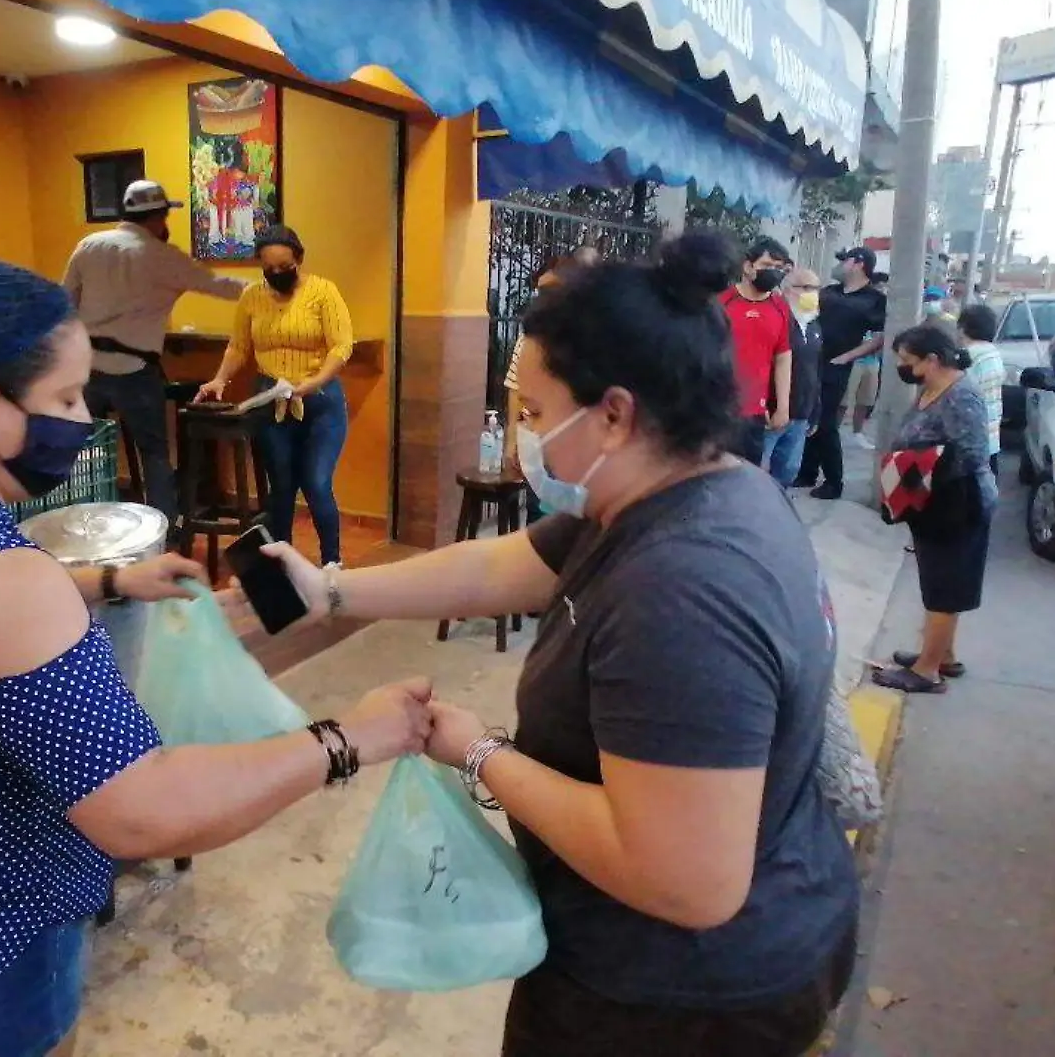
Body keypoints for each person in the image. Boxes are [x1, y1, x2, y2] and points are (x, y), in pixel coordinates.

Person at [0, 257, 431, 1057]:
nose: (81, 421)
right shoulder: (0, 576)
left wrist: (109, 579)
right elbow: (143, 811)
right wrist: (351, 738)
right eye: (67, 398)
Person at [243, 230, 859, 1055]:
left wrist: (478, 752)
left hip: (678, 999)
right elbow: (505, 564)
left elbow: (687, 882)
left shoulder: (683, 589)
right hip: (698, 947)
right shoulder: (694, 489)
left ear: (613, 414)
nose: (524, 435)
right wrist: (335, 591)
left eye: (533, 413)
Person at [64, 180, 245, 525]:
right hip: (135, 369)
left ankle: (84, 525)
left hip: (86, 367)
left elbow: (65, 303)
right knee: (154, 455)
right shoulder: (164, 257)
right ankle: (163, 529)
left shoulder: (89, 245)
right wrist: (270, 292)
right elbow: (223, 287)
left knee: (82, 451)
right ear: (159, 217)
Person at [195, 226, 357, 565]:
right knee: (280, 486)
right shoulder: (252, 296)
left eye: (284, 267)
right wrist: (220, 379)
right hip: (271, 399)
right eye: (269, 269)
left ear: (299, 259)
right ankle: (281, 563)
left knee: (315, 482)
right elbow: (239, 346)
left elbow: (341, 346)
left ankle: (332, 563)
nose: (277, 274)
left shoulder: (323, 292)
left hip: (320, 401)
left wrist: (314, 382)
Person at [873, 323, 996, 695]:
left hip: (957, 504)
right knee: (941, 582)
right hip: (932, 502)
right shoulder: (932, 388)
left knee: (944, 587)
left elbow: (971, 455)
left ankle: (928, 672)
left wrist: (919, 468)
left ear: (933, 359)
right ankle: (943, 654)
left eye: (908, 361)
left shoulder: (962, 397)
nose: (903, 367)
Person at [506, 246, 601, 521]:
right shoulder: (532, 338)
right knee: (542, 516)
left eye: (551, 293)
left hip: (579, 452)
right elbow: (517, 389)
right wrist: (517, 435)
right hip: (547, 452)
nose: (544, 301)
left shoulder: (601, 339)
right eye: (541, 293)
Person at [798, 247, 887, 497]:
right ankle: (807, 472)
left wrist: (848, 356)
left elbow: (880, 337)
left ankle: (834, 482)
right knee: (811, 417)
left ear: (858, 264)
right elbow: (805, 313)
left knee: (826, 422)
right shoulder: (829, 291)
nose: (839, 266)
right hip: (812, 361)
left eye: (843, 261)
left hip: (837, 365)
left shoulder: (874, 299)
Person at [718, 237, 795, 462]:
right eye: (766, 266)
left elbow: (783, 357)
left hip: (754, 413)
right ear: (748, 267)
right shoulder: (722, 302)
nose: (773, 272)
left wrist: (783, 406)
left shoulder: (780, 307)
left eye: (779, 268)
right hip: (718, 410)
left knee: (747, 475)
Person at [767, 266, 823, 488]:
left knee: (788, 472)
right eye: (807, 287)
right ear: (787, 290)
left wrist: (815, 410)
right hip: (772, 414)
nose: (813, 294)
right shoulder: (776, 319)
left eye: (816, 288)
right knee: (758, 472)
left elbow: (815, 369)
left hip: (801, 414)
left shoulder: (813, 325)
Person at [957, 303, 1006, 475]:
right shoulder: (994, 353)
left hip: (970, 440)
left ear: (962, 329)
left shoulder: (966, 357)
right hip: (991, 436)